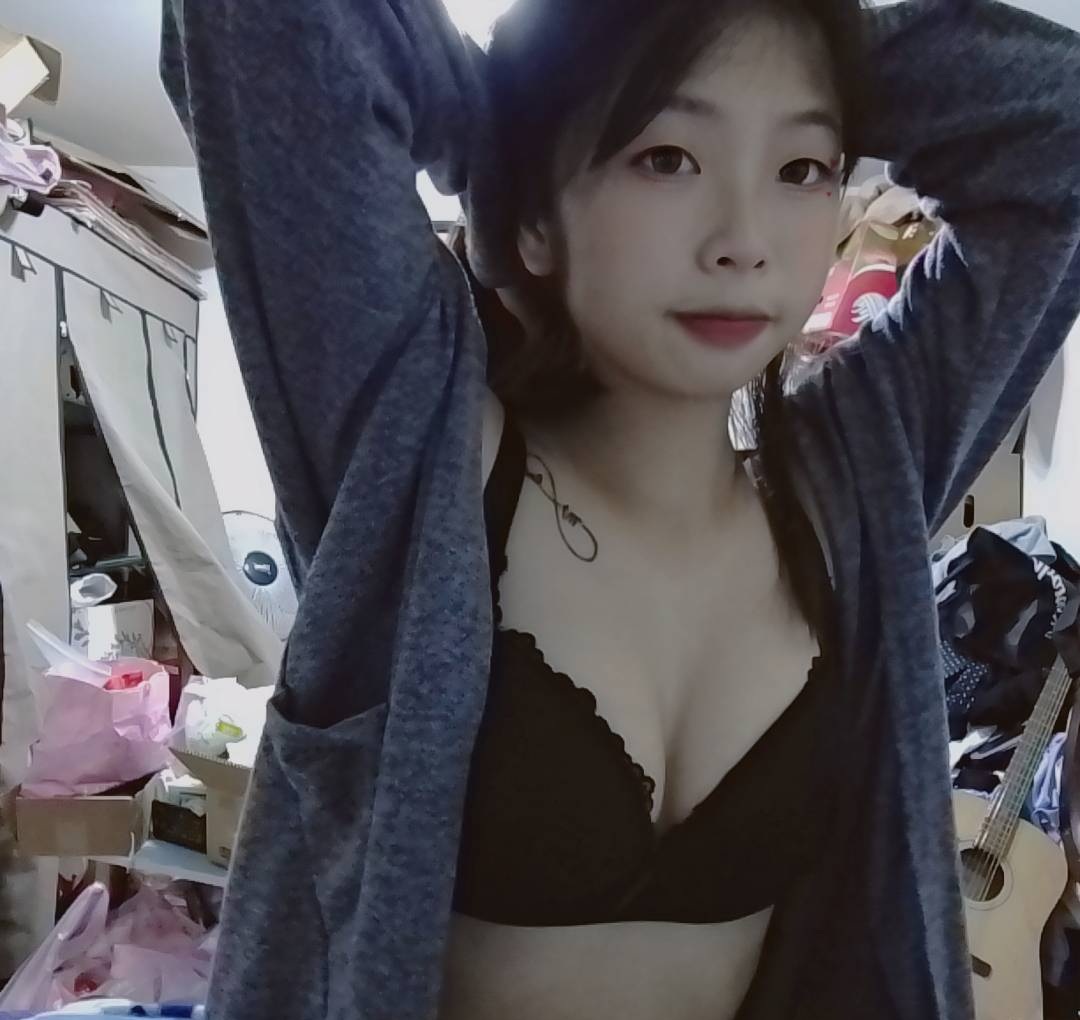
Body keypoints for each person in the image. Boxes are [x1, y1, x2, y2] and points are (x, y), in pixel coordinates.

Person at [161, 0, 1080, 1017]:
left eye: (801, 169)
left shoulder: (861, 486)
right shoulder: (416, 446)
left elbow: (1062, 135)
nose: (743, 241)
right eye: (666, 158)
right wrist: (525, 112)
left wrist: (812, 47)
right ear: (534, 222)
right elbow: (268, 27)